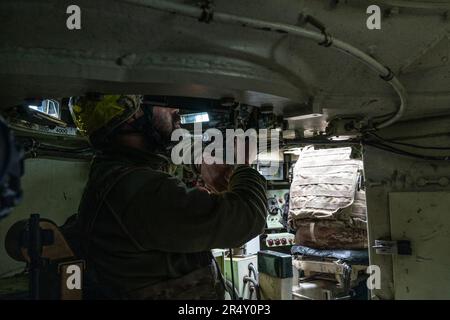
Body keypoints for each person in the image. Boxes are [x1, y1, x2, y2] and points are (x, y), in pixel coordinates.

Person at [69, 94, 267, 299]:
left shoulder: (113, 176)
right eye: (162, 101)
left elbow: (176, 143)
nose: (175, 109)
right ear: (131, 116)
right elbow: (247, 216)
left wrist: (203, 160)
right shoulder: (139, 189)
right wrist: (244, 166)